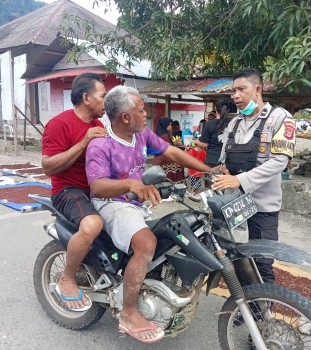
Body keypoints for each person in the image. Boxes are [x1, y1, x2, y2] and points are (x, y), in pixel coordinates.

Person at [85, 86, 217, 343]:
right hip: (111, 202)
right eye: (141, 109)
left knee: (175, 231)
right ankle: (129, 312)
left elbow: (172, 153)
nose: (146, 114)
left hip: (136, 201)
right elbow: (97, 185)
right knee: (147, 243)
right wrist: (130, 185)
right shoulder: (101, 144)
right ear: (125, 116)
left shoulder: (142, 134)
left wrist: (209, 171)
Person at [212, 68, 296, 284]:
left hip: (263, 205)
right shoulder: (234, 123)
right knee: (234, 258)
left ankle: (262, 313)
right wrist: (224, 170)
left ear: (257, 89)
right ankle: (244, 307)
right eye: (233, 91)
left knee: (262, 262)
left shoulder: (280, 118)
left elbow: (280, 161)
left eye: (241, 89)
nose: (235, 96)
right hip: (234, 203)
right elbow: (223, 160)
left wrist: (240, 179)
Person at [41, 73, 107, 311]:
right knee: (91, 225)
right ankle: (67, 278)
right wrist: (82, 143)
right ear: (87, 98)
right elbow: (48, 166)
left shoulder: (99, 126)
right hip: (67, 190)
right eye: (103, 96)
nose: (106, 102)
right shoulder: (60, 123)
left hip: (95, 190)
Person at [195, 100, 237, 167]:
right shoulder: (234, 124)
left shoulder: (209, 124)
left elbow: (204, 145)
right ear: (228, 110)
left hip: (212, 161)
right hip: (229, 162)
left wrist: (196, 141)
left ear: (215, 108)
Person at [152, 117, 185, 182]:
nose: (171, 127)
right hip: (165, 160)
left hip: (158, 161)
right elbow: (169, 149)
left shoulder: (158, 134)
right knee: (180, 167)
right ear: (165, 125)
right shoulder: (165, 136)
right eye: (169, 125)